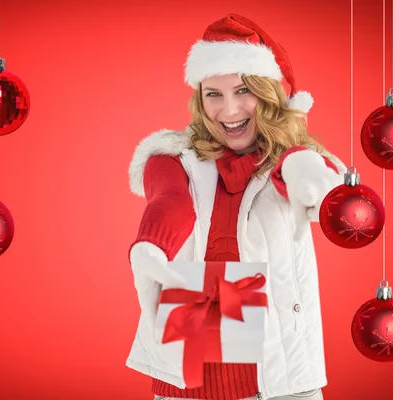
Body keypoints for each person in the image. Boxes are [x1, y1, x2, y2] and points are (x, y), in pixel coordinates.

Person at [125, 13, 346, 400]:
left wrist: (305, 169)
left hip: (283, 379)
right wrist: (151, 246)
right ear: (200, 97)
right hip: (189, 381)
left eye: (244, 91)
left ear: (269, 92)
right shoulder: (174, 157)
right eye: (214, 94)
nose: (229, 111)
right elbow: (171, 201)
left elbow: (313, 181)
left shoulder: (290, 160)